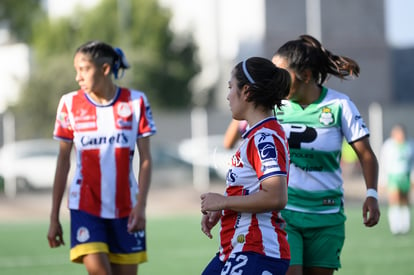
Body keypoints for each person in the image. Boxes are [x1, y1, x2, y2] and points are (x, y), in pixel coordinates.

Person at [272, 34, 380, 275]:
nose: (276, 81)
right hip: (285, 213)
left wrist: (371, 194)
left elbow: (366, 155)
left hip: (327, 216)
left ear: (306, 76)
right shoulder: (274, 106)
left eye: (282, 74)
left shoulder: (340, 105)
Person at [47, 41, 157, 275]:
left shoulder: (136, 102)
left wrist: (141, 206)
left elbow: (146, 158)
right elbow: (63, 162)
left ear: (105, 69)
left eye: (84, 69)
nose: (78, 77)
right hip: (85, 205)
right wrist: (54, 216)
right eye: (76, 70)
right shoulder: (69, 104)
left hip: (127, 208)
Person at [200, 57, 291, 275]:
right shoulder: (254, 136)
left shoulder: (264, 139)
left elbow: (276, 196)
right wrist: (224, 207)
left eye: (231, 87)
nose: (228, 95)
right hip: (235, 248)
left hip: (257, 249)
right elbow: (251, 188)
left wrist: (224, 201)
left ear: (247, 92)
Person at [380, 123, 414, 235]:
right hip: (393, 177)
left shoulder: (410, 144)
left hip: (406, 176)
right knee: (394, 201)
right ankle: (395, 227)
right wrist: (382, 181)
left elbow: (412, 163)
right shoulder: (388, 146)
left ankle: (405, 227)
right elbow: (383, 164)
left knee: (405, 201)